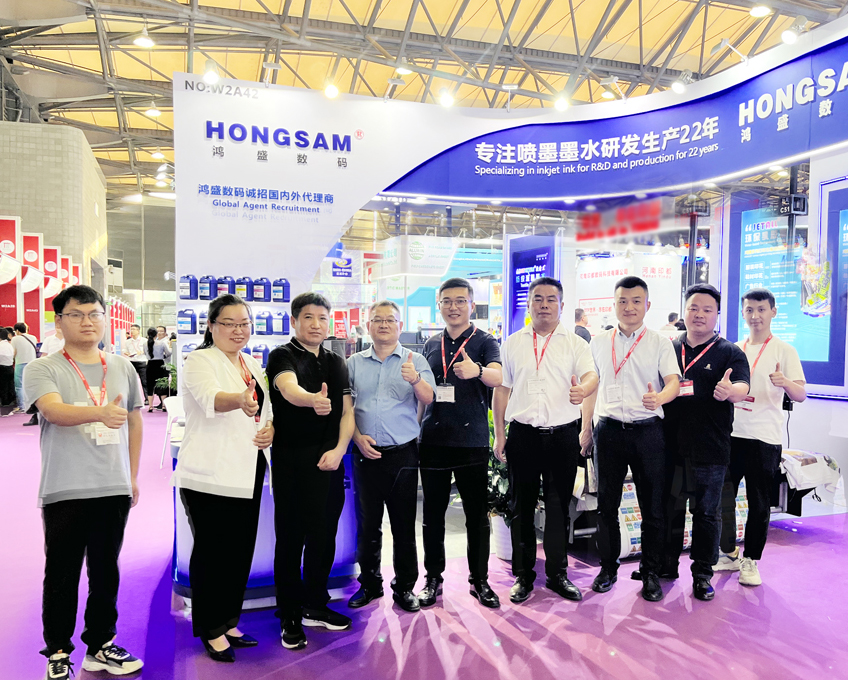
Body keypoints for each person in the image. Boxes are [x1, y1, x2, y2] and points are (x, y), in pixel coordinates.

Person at [23, 285, 144, 680]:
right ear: (59, 322)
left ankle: (100, 645)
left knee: (106, 572)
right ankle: (58, 651)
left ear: (105, 319)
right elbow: (53, 411)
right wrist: (98, 413)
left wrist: (132, 475)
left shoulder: (122, 366)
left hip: (113, 486)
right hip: (66, 487)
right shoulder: (43, 368)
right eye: (76, 314)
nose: (87, 321)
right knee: (62, 573)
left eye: (94, 314)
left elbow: (134, 421)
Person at [172, 294, 274, 662]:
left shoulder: (251, 362)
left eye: (244, 323)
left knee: (239, 550)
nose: (237, 330)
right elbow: (211, 397)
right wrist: (239, 400)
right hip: (210, 474)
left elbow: (266, 409)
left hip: (248, 469)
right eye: (228, 323)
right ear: (211, 325)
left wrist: (270, 428)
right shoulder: (199, 360)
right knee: (213, 553)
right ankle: (211, 628)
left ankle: (229, 620)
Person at [493, 277, 598, 604]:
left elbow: (591, 375)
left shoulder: (575, 344)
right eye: (537, 299)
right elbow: (502, 390)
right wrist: (500, 434)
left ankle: (557, 574)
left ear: (561, 305)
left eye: (551, 299)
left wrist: (583, 389)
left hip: (562, 436)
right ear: (528, 304)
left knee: (558, 509)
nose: (544, 305)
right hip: (523, 436)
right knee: (521, 508)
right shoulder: (512, 343)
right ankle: (523, 576)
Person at [580, 276, 680, 602]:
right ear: (614, 304)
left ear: (647, 305)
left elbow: (673, 382)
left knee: (653, 508)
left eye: (636, 301)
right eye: (623, 301)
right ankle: (607, 569)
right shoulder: (598, 343)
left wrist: (660, 398)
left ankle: (650, 574)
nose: (629, 307)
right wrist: (586, 429)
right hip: (608, 431)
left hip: (648, 432)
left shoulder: (660, 343)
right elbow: (591, 388)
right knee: (606, 506)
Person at [266, 292, 355, 650]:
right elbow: (288, 389)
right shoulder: (282, 355)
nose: (316, 324)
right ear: (294, 321)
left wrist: (340, 449)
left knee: (323, 536)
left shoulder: (336, 361)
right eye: (308, 317)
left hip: (330, 461)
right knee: (290, 539)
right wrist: (311, 399)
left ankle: (315, 605)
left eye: (322, 318)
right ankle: (289, 614)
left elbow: (347, 411)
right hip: (292, 462)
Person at [660, 284, 750, 601]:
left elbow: (742, 386)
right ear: (685, 311)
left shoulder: (729, 352)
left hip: (711, 449)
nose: (699, 314)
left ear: (717, 315)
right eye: (693, 308)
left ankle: (702, 575)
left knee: (707, 515)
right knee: (670, 511)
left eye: (707, 309)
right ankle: (666, 566)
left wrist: (731, 392)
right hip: (669, 447)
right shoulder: (668, 348)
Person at [417, 278, 503, 609]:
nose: (453, 307)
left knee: (476, 517)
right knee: (432, 516)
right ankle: (433, 578)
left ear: (471, 305)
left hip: (472, 442)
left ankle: (479, 580)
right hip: (434, 441)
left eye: (460, 301)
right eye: (447, 301)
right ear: (439, 305)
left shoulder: (485, 341)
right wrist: (416, 429)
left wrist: (477, 370)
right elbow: (424, 394)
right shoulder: (430, 344)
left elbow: (498, 377)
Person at [347, 300, 435, 613]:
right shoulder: (353, 363)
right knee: (368, 525)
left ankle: (405, 587)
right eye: (377, 320)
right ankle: (370, 585)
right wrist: (356, 438)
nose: (383, 325)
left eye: (390, 320)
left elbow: (429, 398)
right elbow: (346, 408)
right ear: (368, 325)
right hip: (364, 454)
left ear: (400, 326)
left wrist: (415, 379)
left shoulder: (415, 360)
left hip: (403, 456)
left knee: (403, 525)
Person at [716, 288, 806, 586]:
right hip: (732, 434)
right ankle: (729, 552)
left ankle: (751, 559)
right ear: (743, 313)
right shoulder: (734, 348)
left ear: (773, 312)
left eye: (761, 309)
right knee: (722, 499)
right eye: (749, 310)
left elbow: (801, 394)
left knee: (759, 503)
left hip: (764, 438)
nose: (755, 316)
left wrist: (785, 382)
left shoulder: (784, 350)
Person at [11, 321, 39, 413]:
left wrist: (12, 360)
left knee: (19, 386)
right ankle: (32, 405)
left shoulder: (15, 339)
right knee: (31, 384)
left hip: (20, 363)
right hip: (33, 363)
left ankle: (22, 406)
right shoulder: (33, 337)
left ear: (17, 330)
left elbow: (14, 352)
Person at [145, 327, 171, 411]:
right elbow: (168, 353)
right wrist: (164, 356)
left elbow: (145, 354)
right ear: (156, 334)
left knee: (150, 385)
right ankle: (163, 405)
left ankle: (150, 406)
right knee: (162, 384)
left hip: (150, 364)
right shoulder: (161, 343)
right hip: (160, 364)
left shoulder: (145, 344)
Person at [122, 325, 148, 407]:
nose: (132, 331)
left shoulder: (144, 341)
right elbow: (125, 350)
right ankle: (130, 399)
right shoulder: (128, 341)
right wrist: (126, 353)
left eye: (134, 329)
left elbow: (148, 350)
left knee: (144, 381)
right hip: (131, 362)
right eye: (131, 329)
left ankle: (147, 398)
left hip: (141, 361)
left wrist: (142, 352)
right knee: (130, 381)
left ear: (138, 331)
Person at [0, 327, 15, 410]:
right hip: (10, 367)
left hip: (2, 368)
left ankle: (4, 402)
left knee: (3, 386)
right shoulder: (9, 345)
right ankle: (10, 401)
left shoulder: (1, 345)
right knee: (10, 385)